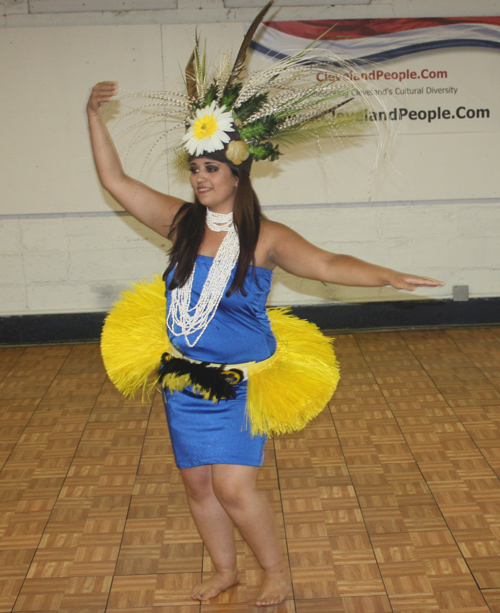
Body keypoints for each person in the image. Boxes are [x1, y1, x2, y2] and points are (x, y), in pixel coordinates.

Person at [88, 79, 443, 606]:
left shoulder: (265, 238)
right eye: (194, 168)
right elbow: (115, 180)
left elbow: (326, 264)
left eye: (211, 169)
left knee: (233, 487)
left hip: (240, 382)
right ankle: (225, 570)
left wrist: (385, 274)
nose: (199, 178)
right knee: (198, 486)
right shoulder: (183, 223)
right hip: (185, 377)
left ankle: (274, 572)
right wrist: (92, 114)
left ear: (237, 174)